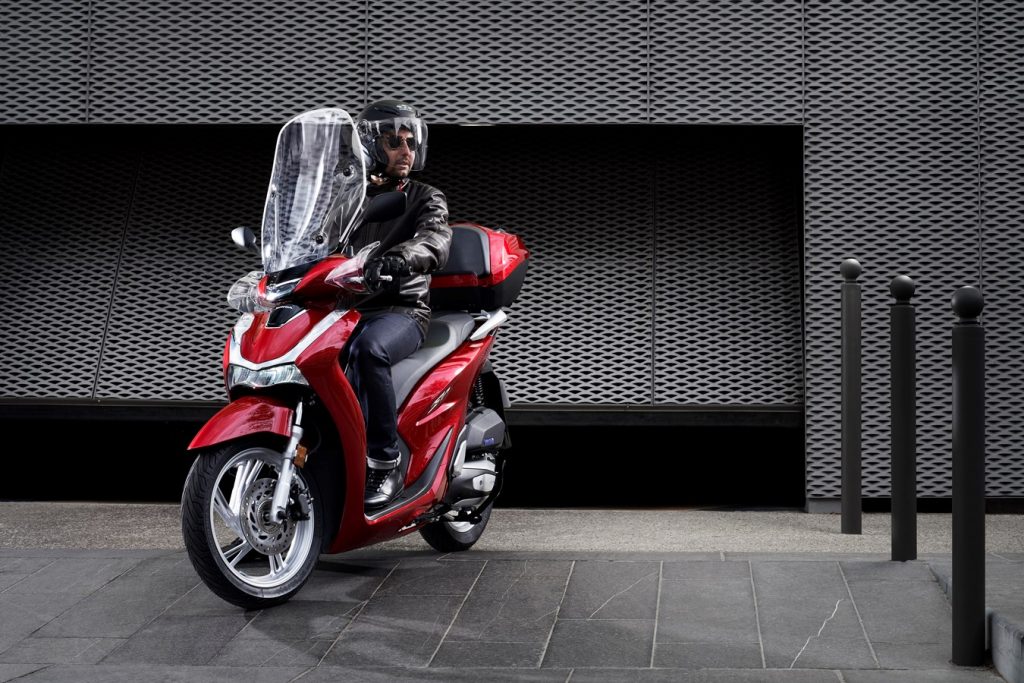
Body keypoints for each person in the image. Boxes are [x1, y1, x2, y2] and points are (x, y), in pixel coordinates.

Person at [345, 99, 451, 509]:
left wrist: (401, 258)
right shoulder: (344, 198)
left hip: (400, 309)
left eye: (410, 142)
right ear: (370, 146)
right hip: (340, 309)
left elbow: (435, 239)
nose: (406, 151)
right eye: (394, 142)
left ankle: (384, 462)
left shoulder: (425, 197)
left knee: (368, 350)